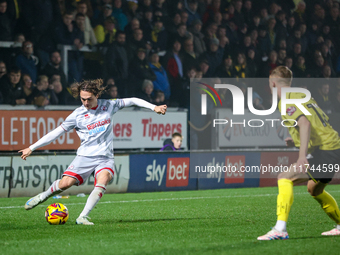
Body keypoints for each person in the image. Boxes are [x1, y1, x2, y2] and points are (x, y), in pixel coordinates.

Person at [20, 79, 167, 225]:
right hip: (85, 156)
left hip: (105, 157)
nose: (85, 103)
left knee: (103, 180)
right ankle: (43, 196)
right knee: (66, 183)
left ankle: (82, 217)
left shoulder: (109, 105)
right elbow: (56, 133)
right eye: (82, 99)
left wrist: (154, 107)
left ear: (96, 95)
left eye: (89, 99)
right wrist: (32, 147)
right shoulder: (77, 115)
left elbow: (133, 100)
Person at [257, 66, 340, 240]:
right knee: (314, 189)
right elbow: (315, 123)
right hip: (331, 147)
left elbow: (305, 124)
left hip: (326, 150)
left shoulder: (286, 101)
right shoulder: (301, 95)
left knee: (285, 177)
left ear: (273, 83)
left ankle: (280, 229)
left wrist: (302, 156)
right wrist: (296, 141)